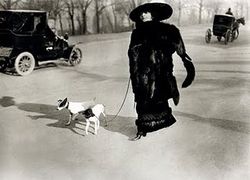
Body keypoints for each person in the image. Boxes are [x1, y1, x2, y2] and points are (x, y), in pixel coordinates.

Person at [128, 2, 195, 140]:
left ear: (153, 14)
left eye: (145, 12)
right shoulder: (137, 33)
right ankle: (142, 128)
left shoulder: (168, 30)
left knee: (160, 98)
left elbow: (178, 46)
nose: (142, 15)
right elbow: (132, 55)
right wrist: (134, 74)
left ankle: (162, 123)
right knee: (143, 101)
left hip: (162, 73)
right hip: (143, 74)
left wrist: (185, 60)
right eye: (141, 13)